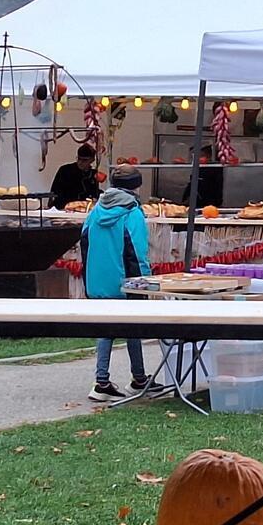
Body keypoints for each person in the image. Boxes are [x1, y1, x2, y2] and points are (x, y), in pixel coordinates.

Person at [80, 164, 161, 401]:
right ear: (137, 186)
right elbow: (137, 251)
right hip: (124, 280)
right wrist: (144, 282)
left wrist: (90, 276)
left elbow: (84, 242)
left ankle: (132, 378)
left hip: (97, 279)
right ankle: (109, 382)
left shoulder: (95, 211)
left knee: (109, 328)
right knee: (130, 327)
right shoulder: (133, 213)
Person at [50, 143, 101, 210]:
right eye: (79, 159)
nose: (80, 162)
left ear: (92, 160)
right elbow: (56, 193)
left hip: (85, 209)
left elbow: (94, 193)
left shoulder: (93, 174)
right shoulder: (65, 171)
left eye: (84, 160)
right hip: (64, 208)